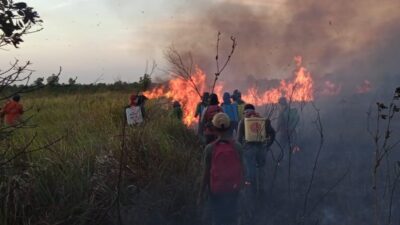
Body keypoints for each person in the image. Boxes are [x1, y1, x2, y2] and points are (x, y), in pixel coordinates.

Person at [198, 112, 244, 225]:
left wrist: (200, 194)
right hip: (234, 189)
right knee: (232, 217)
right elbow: (243, 170)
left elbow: (205, 174)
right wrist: (242, 188)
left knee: (218, 217)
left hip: (216, 190)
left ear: (214, 128)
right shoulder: (238, 146)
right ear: (229, 127)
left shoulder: (209, 148)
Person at [236, 104, 275, 193]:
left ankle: (252, 191)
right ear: (254, 110)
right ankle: (261, 190)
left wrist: (241, 150)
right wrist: (268, 145)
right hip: (262, 148)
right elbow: (273, 133)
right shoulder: (263, 120)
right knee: (261, 169)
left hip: (249, 149)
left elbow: (238, 139)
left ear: (245, 112)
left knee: (251, 170)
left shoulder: (243, 121)